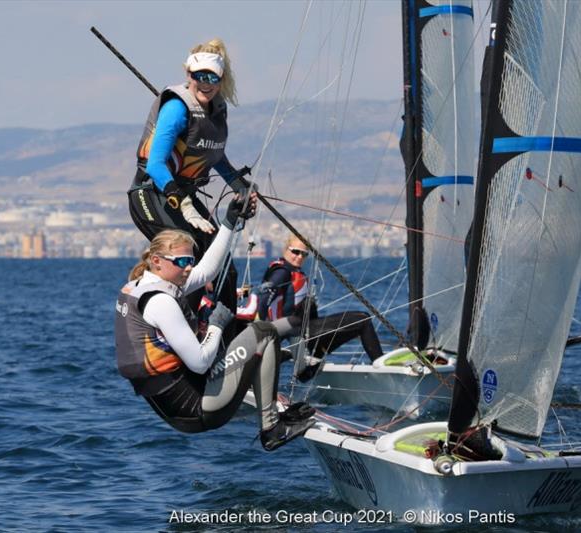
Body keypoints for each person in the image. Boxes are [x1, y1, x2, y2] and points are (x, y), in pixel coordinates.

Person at [114, 195, 315, 451]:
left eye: (190, 261)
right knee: (263, 331)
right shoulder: (160, 302)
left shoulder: (138, 287)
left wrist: (229, 223)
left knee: (258, 340)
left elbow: (208, 270)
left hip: (178, 410)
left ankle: (265, 384)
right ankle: (272, 428)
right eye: (183, 262)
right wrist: (216, 324)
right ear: (157, 261)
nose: (189, 269)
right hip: (199, 410)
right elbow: (199, 363)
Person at [128, 37, 249, 317]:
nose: (205, 83)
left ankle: (223, 335)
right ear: (188, 75)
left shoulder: (216, 110)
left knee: (223, 267)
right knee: (186, 262)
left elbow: (215, 156)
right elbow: (156, 164)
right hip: (152, 194)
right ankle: (176, 330)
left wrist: (239, 186)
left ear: (221, 79)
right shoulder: (176, 108)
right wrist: (183, 205)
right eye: (199, 76)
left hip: (186, 196)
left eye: (212, 78)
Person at [258, 235, 384, 380]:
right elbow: (264, 296)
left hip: (304, 333)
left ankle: (312, 359)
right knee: (363, 320)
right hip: (302, 334)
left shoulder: (293, 271)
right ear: (285, 249)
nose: (299, 257)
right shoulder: (282, 272)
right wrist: (259, 331)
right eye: (295, 252)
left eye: (304, 254)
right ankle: (381, 366)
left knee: (345, 324)